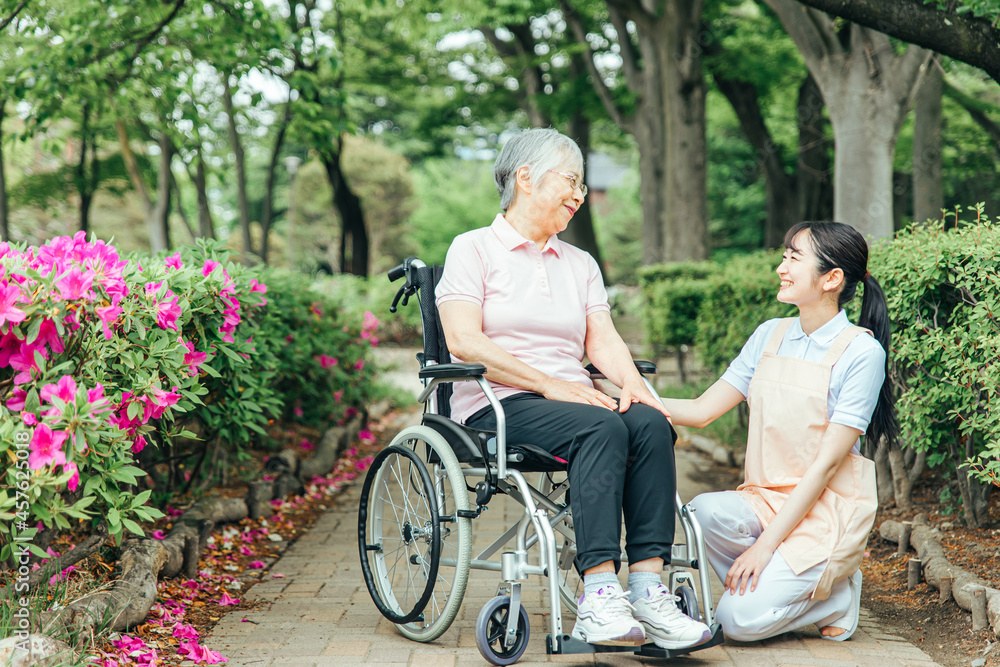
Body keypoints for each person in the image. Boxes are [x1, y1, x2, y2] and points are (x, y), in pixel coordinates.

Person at [435, 128, 711, 650]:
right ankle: (599, 595)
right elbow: (463, 339)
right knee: (603, 425)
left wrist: (636, 389)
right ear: (524, 178)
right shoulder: (473, 249)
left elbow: (602, 340)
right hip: (498, 402)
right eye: (571, 180)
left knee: (648, 423)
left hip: (572, 400)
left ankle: (649, 589)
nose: (579, 194)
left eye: (583, 185)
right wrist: (549, 384)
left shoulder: (579, 263)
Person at [662, 221, 897, 643]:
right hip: (764, 500)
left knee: (737, 622)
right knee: (704, 513)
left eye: (793, 258)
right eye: (784, 256)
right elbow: (700, 411)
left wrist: (764, 547)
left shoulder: (861, 352)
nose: (780, 268)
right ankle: (781, 587)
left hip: (825, 511)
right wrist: (620, 394)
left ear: (831, 279)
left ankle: (836, 595)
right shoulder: (770, 334)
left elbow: (825, 467)